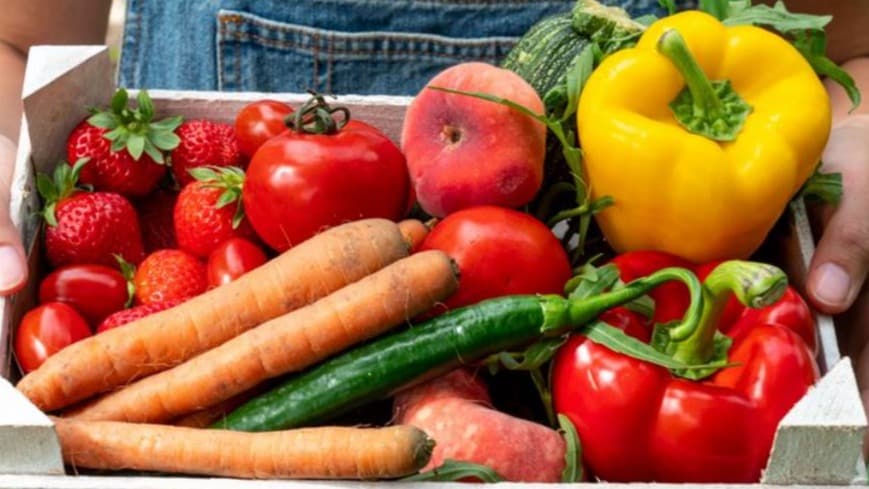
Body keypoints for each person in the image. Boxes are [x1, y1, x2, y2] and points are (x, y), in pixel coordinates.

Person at [0, 0, 867, 437]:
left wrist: (852, 127)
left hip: (631, 245)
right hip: (240, 184)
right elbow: (18, 38)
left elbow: (853, 39)